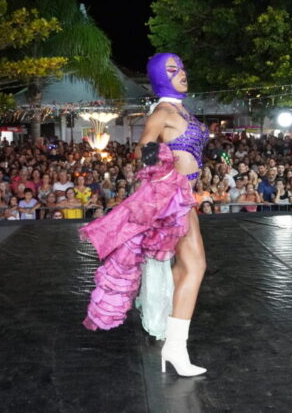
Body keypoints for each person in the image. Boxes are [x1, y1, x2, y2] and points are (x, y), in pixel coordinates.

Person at [82, 53, 209, 377]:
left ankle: (175, 347)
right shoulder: (164, 111)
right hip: (174, 199)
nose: (181, 73)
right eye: (172, 70)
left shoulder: (180, 109)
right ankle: (175, 349)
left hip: (185, 198)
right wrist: (163, 175)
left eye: (182, 68)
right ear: (158, 76)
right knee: (194, 266)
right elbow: (143, 148)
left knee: (188, 268)